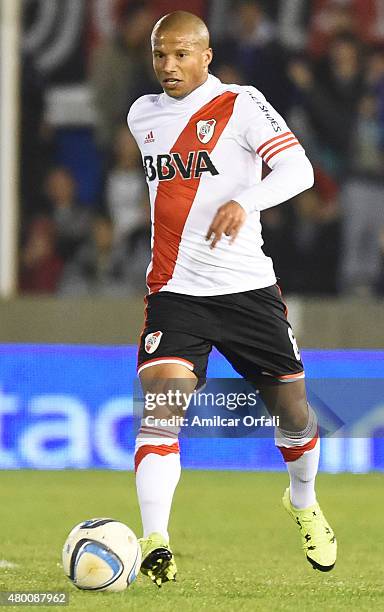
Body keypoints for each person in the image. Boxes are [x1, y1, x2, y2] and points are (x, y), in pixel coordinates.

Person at [127, 10, 337, 587]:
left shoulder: (242, 104)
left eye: (180, 54)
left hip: (247, 291)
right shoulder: (141, 115)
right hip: (174, 292)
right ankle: (155, 540)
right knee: (162, 406)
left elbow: (299, 170)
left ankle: (303, 502)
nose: (168, 65)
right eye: (159, 55)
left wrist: (247, 201)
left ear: (206, 55)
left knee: (294, 414)